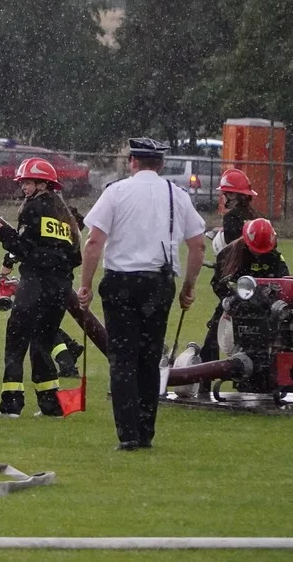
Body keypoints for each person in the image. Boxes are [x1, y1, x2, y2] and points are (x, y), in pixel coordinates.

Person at [78, 138, 206, 451]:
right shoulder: (177, 195)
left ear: (133, 162)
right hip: (159, 284)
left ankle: (128, 434)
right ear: (160, 164)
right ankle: (146, 431)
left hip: (121, 281)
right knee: (150, 358)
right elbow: (198, 245)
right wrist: (189, 285)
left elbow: (94, 242)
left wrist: (86, 284)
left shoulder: (116, 192)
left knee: (122, 359)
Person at [0, 158, 83, 418]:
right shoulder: (65, 215)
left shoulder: (32, 209)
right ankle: (51, 406)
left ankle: (11, 406)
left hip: (35, 284)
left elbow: (22, 248)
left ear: (43, 184)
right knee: (42, 344)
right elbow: (76, 257)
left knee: (16, 342)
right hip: (60, 288)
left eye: (27, 182)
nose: (23, 187)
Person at [204, 218, 288, 361]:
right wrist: (230, 298)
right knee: (215, 331)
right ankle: (206, 371)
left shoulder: (275, 258)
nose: (259, 255)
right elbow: (218, 283)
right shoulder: (228, 255)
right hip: (236, 302)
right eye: (255, 251)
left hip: (264, 304)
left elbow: (284, 282)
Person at [218, 169, 260, 245]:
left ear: (232, 195)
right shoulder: (256, 215)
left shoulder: (230, 217)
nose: (222, 197)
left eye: (224, 193)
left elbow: (231, 246)